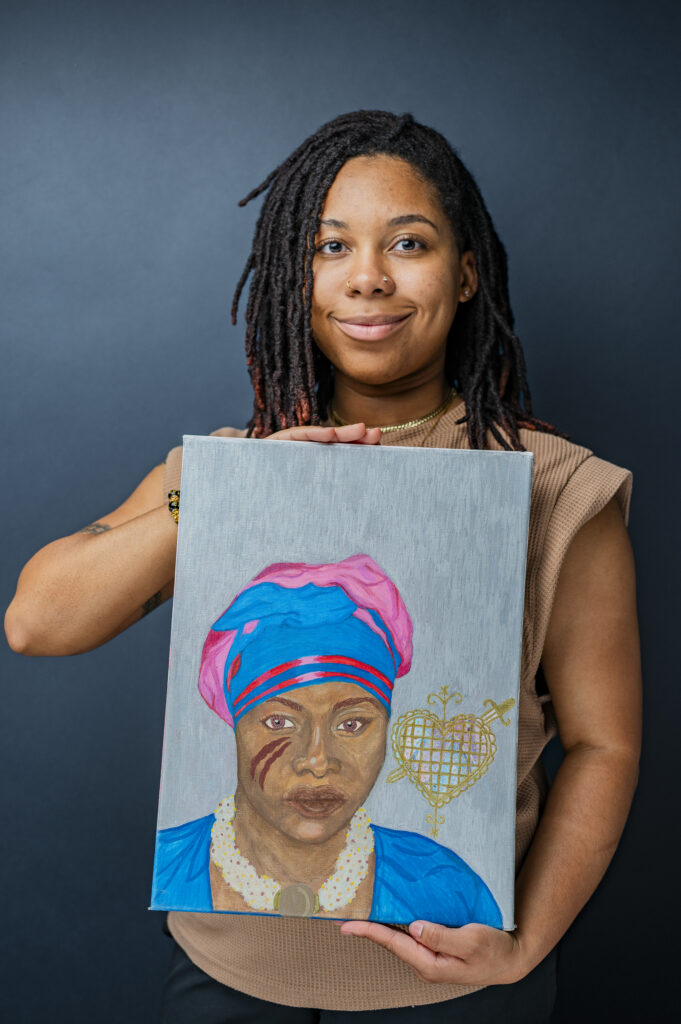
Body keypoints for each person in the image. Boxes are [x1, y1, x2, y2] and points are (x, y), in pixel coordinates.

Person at [4, 110, 641, 1021]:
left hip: (454, 987)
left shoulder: (556, 486)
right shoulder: (225, 470)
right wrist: (226, 498)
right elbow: (37, 623)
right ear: (292, 278)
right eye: (330, 246)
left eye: (408, 243)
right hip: (226, 976)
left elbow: (605, 745)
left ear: (466, 274)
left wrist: (525, 946)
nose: (368, 276)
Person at [152, 554, 502, 928]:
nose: (317, 761)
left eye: (352, 724)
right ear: (236, 724)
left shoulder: (447, 887)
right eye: (279, 722)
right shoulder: (170, 867)